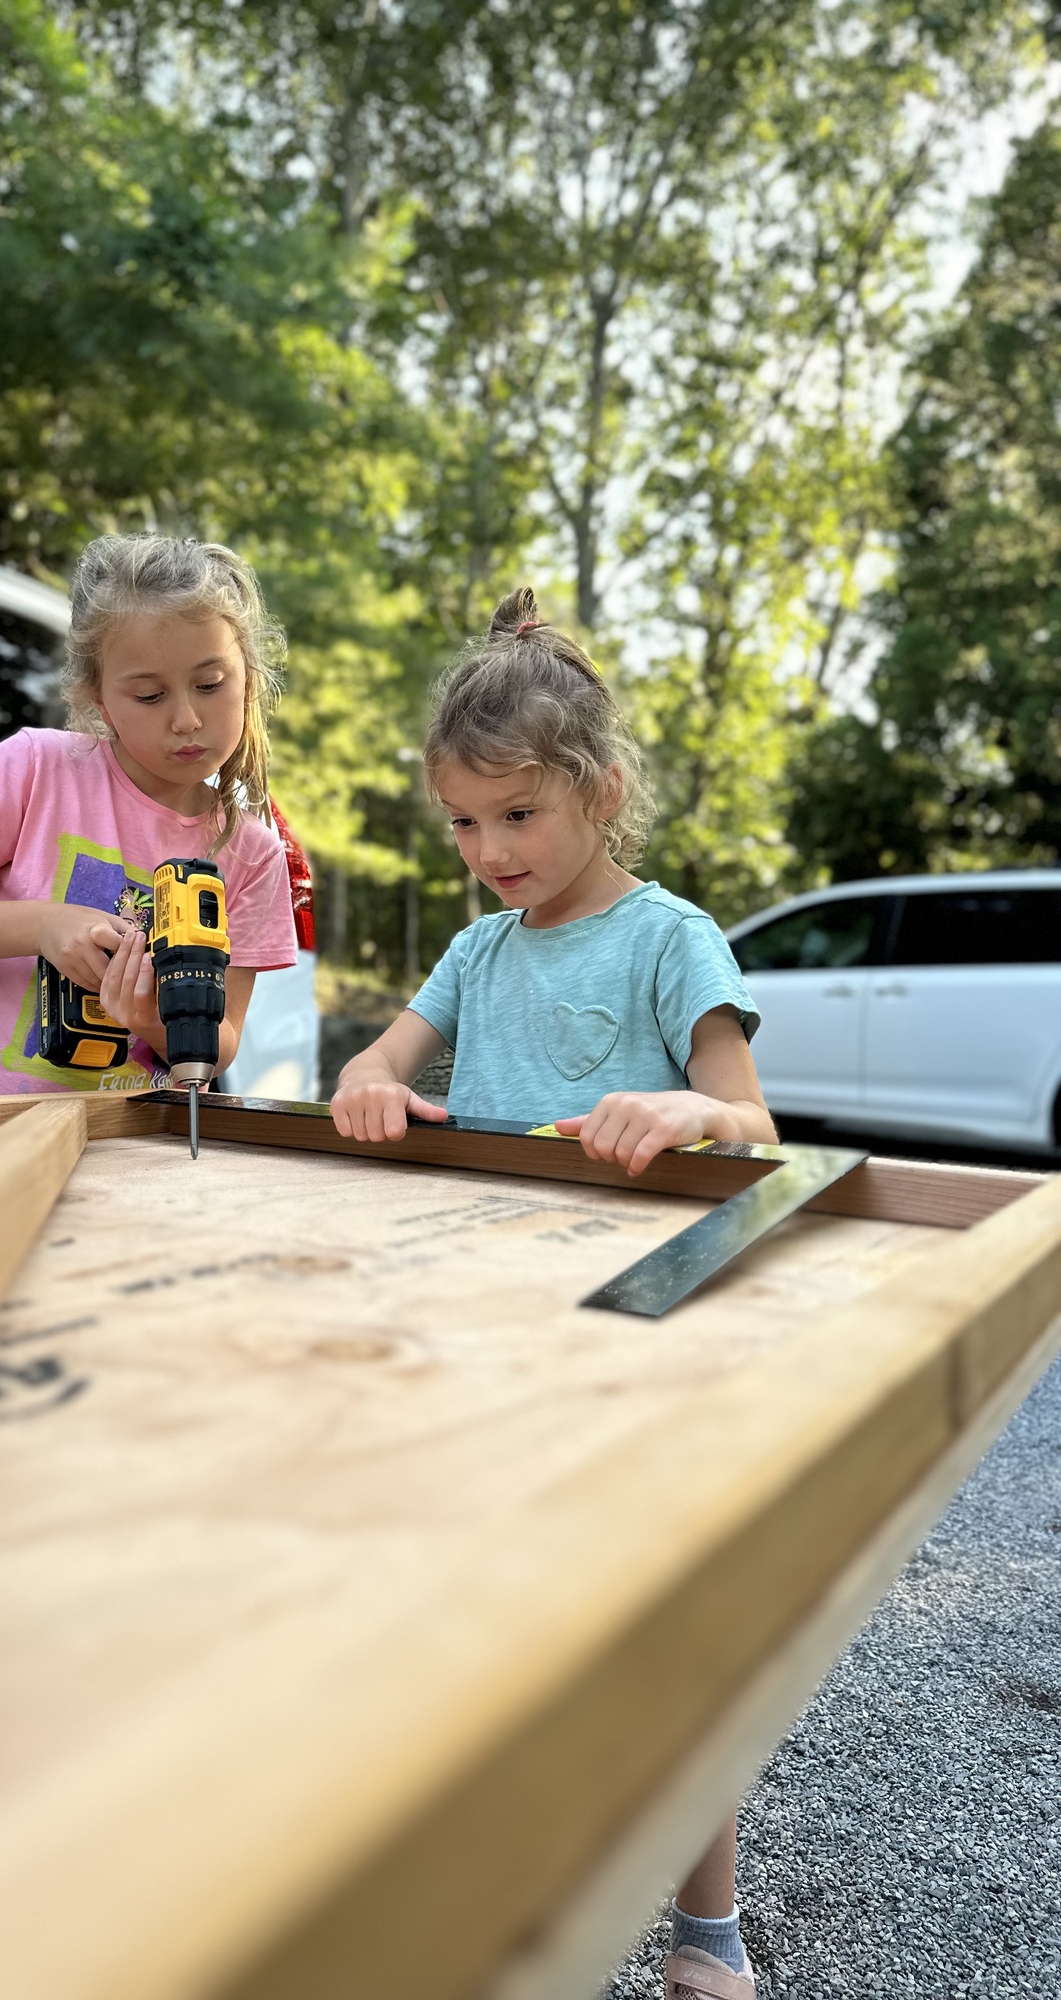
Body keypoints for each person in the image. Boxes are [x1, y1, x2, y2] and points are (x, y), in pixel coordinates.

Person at [331, 586, 772, 2000]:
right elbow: (376, 1067)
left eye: (515, 816)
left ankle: (704, 1923)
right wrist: (370, 1086)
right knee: (492, 1613)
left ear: (601, 790)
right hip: (486, 1315)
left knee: (671, 1618)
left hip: (643, 1317)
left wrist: (679, 1110)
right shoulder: (474, 951)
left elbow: (754, 1123)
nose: (486, 852)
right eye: (462, 824)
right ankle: (501, 1885)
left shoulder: (669, 940)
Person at [0, 535, 297, 1097]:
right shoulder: (36, 769)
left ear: (250, 679)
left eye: (210, 685)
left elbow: (221, 1041)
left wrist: (150, 1019)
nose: (187, 719)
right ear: (97, 697)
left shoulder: (252, 852)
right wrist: (43, 925)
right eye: (148, 696)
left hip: (134, 1156)